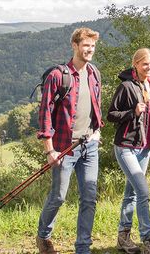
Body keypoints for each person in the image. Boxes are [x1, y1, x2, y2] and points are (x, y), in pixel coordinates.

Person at [36, 27, 103, 254]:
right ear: (74, 45)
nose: (90, 50)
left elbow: (96, 104)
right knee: (58, 197)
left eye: (92, 46)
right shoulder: (58, 76)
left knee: (89, 198)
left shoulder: (94, 73)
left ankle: (83, 248)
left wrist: (97, 131)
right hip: (65, 147)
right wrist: (49, 150)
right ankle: (43, 236)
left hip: (89, 145)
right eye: (86, 45)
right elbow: (45, 113)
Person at [107, 48, 150, 254]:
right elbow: (111, 115)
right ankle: (148, 239)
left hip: (144, 147)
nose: (149, 67)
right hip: (125, 146)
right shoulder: (125, 86)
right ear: (136, 65)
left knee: (131, 193)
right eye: (145, 64)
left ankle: (123, 237)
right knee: (143, 191)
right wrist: (132, 112)